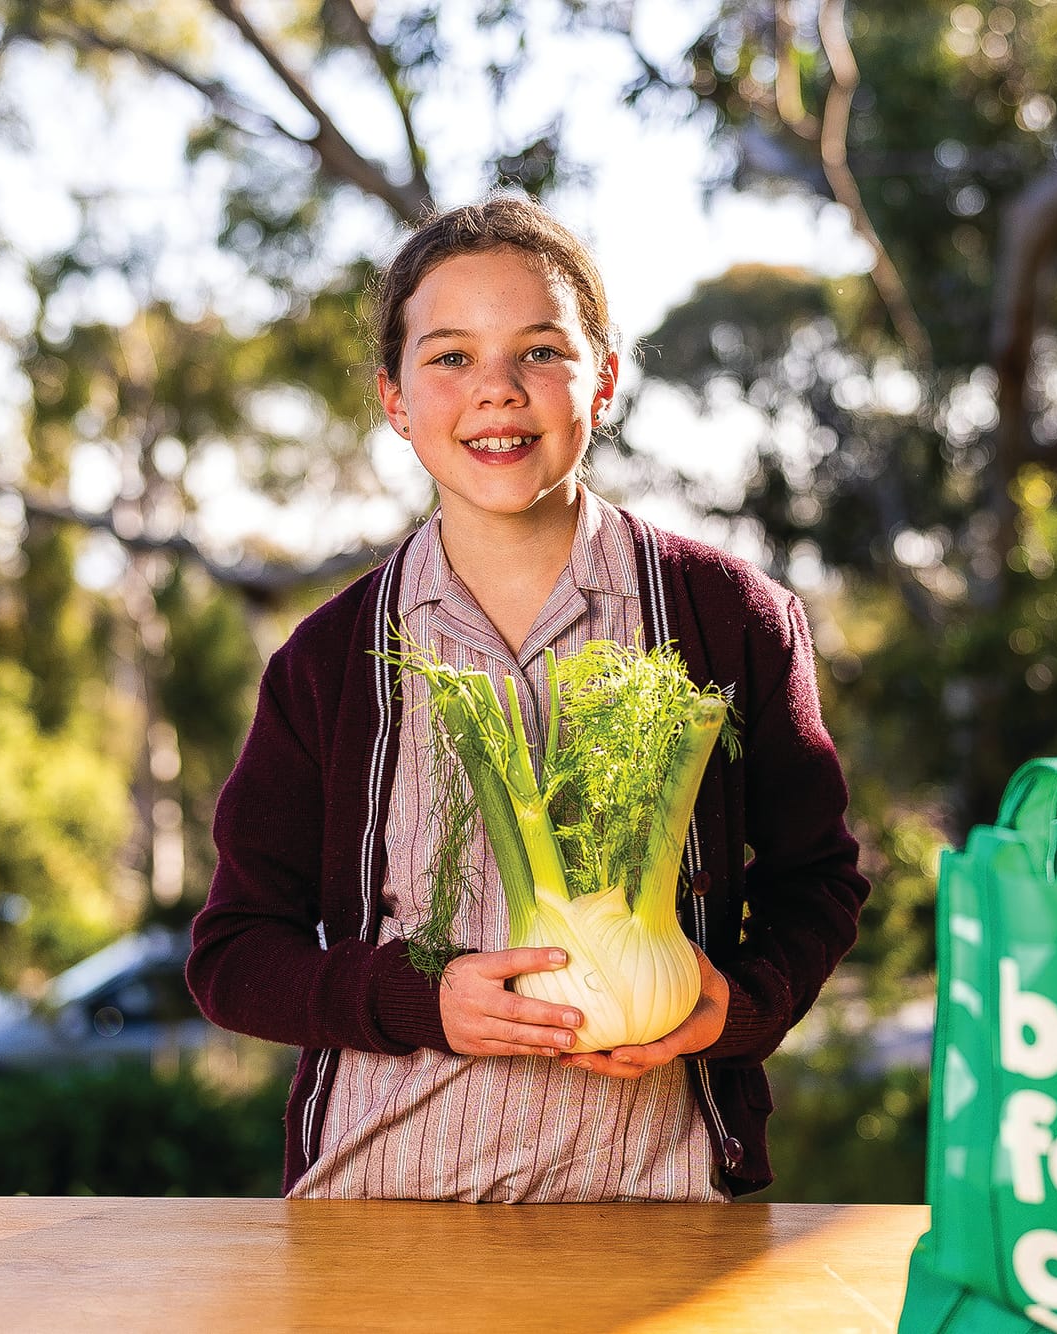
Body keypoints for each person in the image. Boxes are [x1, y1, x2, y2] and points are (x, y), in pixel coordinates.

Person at [186, 195, 867, 1202]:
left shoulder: (728, 618)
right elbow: (233, 957)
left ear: (602, 383)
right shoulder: (327, 662)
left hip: (658, 1207)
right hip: (380, 1212)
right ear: (394, 398)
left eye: (540, 351)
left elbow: (818, 881)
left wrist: (740, 1002)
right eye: (450, 355)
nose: (497, 391)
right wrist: (420, 999)